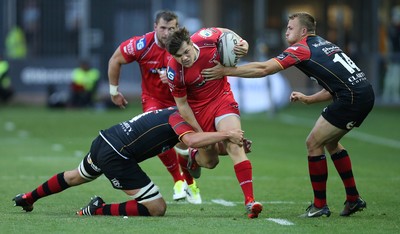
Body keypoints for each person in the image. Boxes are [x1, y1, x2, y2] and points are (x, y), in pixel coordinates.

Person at [202, 12, 375, 218]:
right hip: (361, 92)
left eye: (290, 28)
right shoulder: (324, 44)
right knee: (330, 142)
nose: (286, 31)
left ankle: (320, 205)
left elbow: (264, 68)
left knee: (313, 143)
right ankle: (353, 199)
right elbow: (335, 85)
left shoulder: (301, 48)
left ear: (303, 31)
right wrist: (309, 99)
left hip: (351, 99)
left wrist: (226, 71)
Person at [12, 107, 244, 217]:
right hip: (117, 155)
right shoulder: (180, 118)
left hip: (105, 140)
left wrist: (235, 143)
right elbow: (193, 139)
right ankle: (97, 209)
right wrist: (226, 134)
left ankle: (28, 198)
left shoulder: (177, 114)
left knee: (75, 176)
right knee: (157, 208)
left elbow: (201, 145)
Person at [165, 27, 263, 219]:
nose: (184, 58)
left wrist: (243, 44)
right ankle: (194, 155)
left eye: (186, 52)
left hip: (222, 99)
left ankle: (250, 201)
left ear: (191, 43)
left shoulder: (205, 38)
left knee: (235, 144)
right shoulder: (174, 72)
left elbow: (227, 33)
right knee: (210, 162)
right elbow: (183, 106)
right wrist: (201, 134)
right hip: (198, 111)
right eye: (178, 56)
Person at [107, 10, 201, 204]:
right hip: (153, 100)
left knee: (185, 144)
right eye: (163, 28)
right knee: (155, 135)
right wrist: (114, 91)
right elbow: (115, 59)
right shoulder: (141, 45)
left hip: (180, 100)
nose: (167, 33)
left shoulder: (187, 46)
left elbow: (200, 69)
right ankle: (178, 180)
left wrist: (177, 77)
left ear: (178, 28)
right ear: (155, 27)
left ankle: (190, 183)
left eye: (171, 28)